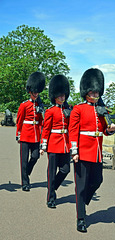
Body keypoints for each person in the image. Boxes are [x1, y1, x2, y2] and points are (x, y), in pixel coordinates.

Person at [69, 68, 115, 233]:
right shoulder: (78, 109)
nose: (96, 95)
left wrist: (110, 129)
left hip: (96, 152)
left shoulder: (102, 109)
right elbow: (73, 131)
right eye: (93, 92)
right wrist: (74, 151)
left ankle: (82, 202)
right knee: (80, 187)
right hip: (82, 152)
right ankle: (81, 218)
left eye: (97, 92)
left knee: (97, 181)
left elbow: (103, 130)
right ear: (86, 91)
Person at [40, 74, 71, 209]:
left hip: (65, 144)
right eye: (59, 96)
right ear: (55, 97)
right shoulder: (50, 111)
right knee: (51, 172)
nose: (62, 97)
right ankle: (50, 197)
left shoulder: (69, 110)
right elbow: (46, 129)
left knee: (65, 170)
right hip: (53, 144)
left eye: (63, 95)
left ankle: (53, 188)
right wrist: (43, 144)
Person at [16, 72, 45, 192]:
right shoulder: (24, 105)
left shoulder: (40, 105)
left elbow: (42, 122)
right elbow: (19, 120)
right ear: (30, 92)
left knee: (35, 156)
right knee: (23, 160)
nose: (36, 94)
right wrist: (18, 134)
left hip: (36, 135)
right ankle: (25, 183)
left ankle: (26, 172)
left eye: (37, 93)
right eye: (34, 93)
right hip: (25, 134)